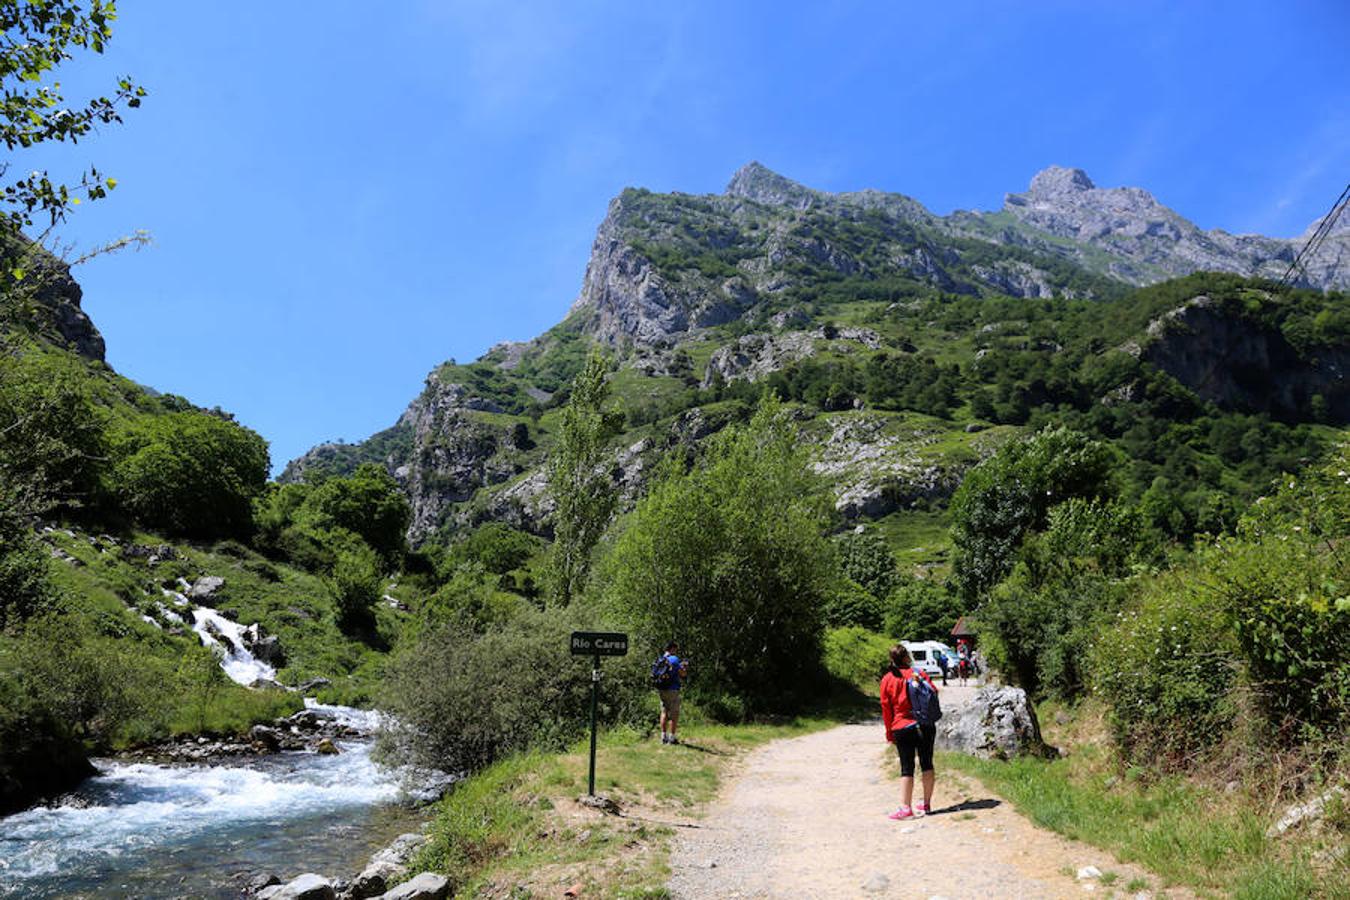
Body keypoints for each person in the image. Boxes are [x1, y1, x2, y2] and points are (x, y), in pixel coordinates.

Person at [879, 644, 938, 820]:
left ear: (892, 660)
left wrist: (889, 732)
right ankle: (926, 804)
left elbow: (886, 708)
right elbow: (933, 692)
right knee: (927, 762)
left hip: (901, 726)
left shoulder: (888, 679)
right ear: (907, 657)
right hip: (925, 724)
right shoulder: (918, 674)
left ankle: (906, 808)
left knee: (907, 768)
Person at [655, 641, 688, 745]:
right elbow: (682, 674)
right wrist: (684, 668)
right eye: (675, 649)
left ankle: (663, 737)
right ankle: (672, 738)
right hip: (673, 690)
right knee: (674, 713)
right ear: (672, 649)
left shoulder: (660, 659)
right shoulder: (674, 659)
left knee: (664, 712)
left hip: (661, 689)